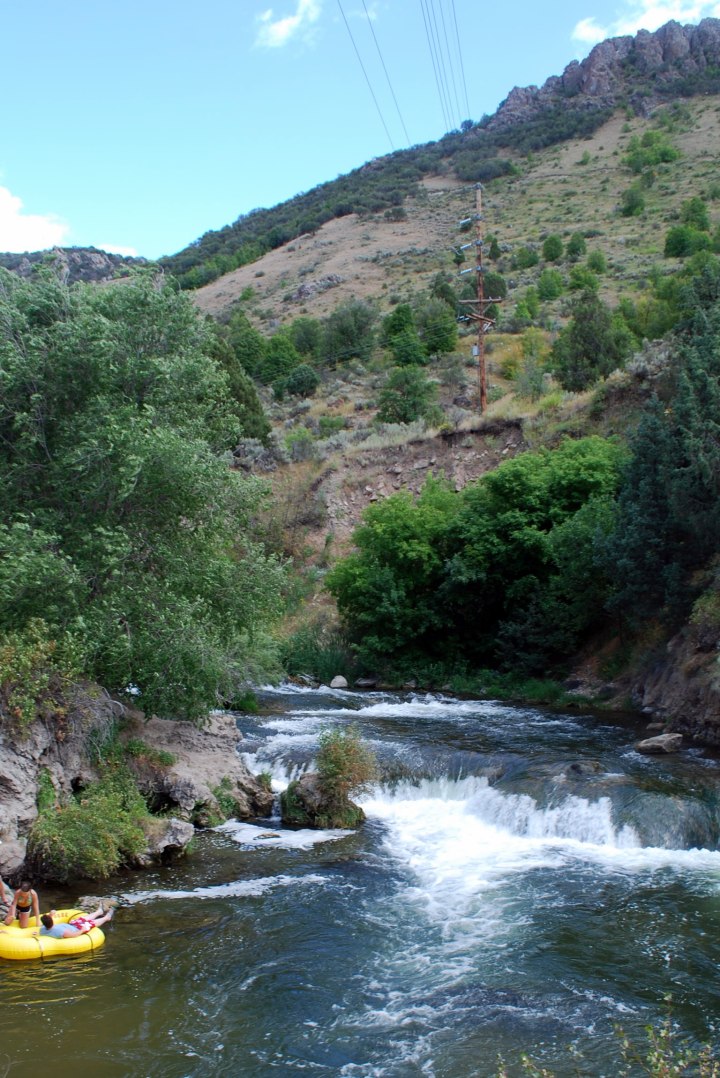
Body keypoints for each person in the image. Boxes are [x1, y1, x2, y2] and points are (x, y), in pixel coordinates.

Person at [38, 906, 114, 939]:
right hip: (77, 929)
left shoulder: (43, 929)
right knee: (90, 923)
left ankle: (99, 912)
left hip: (72, 925)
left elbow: (47, 923)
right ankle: (106, 918)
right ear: (51, 921)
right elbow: (74, 935)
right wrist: (82, 930)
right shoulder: (60, 931)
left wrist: (51, 915)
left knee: (82, 918)